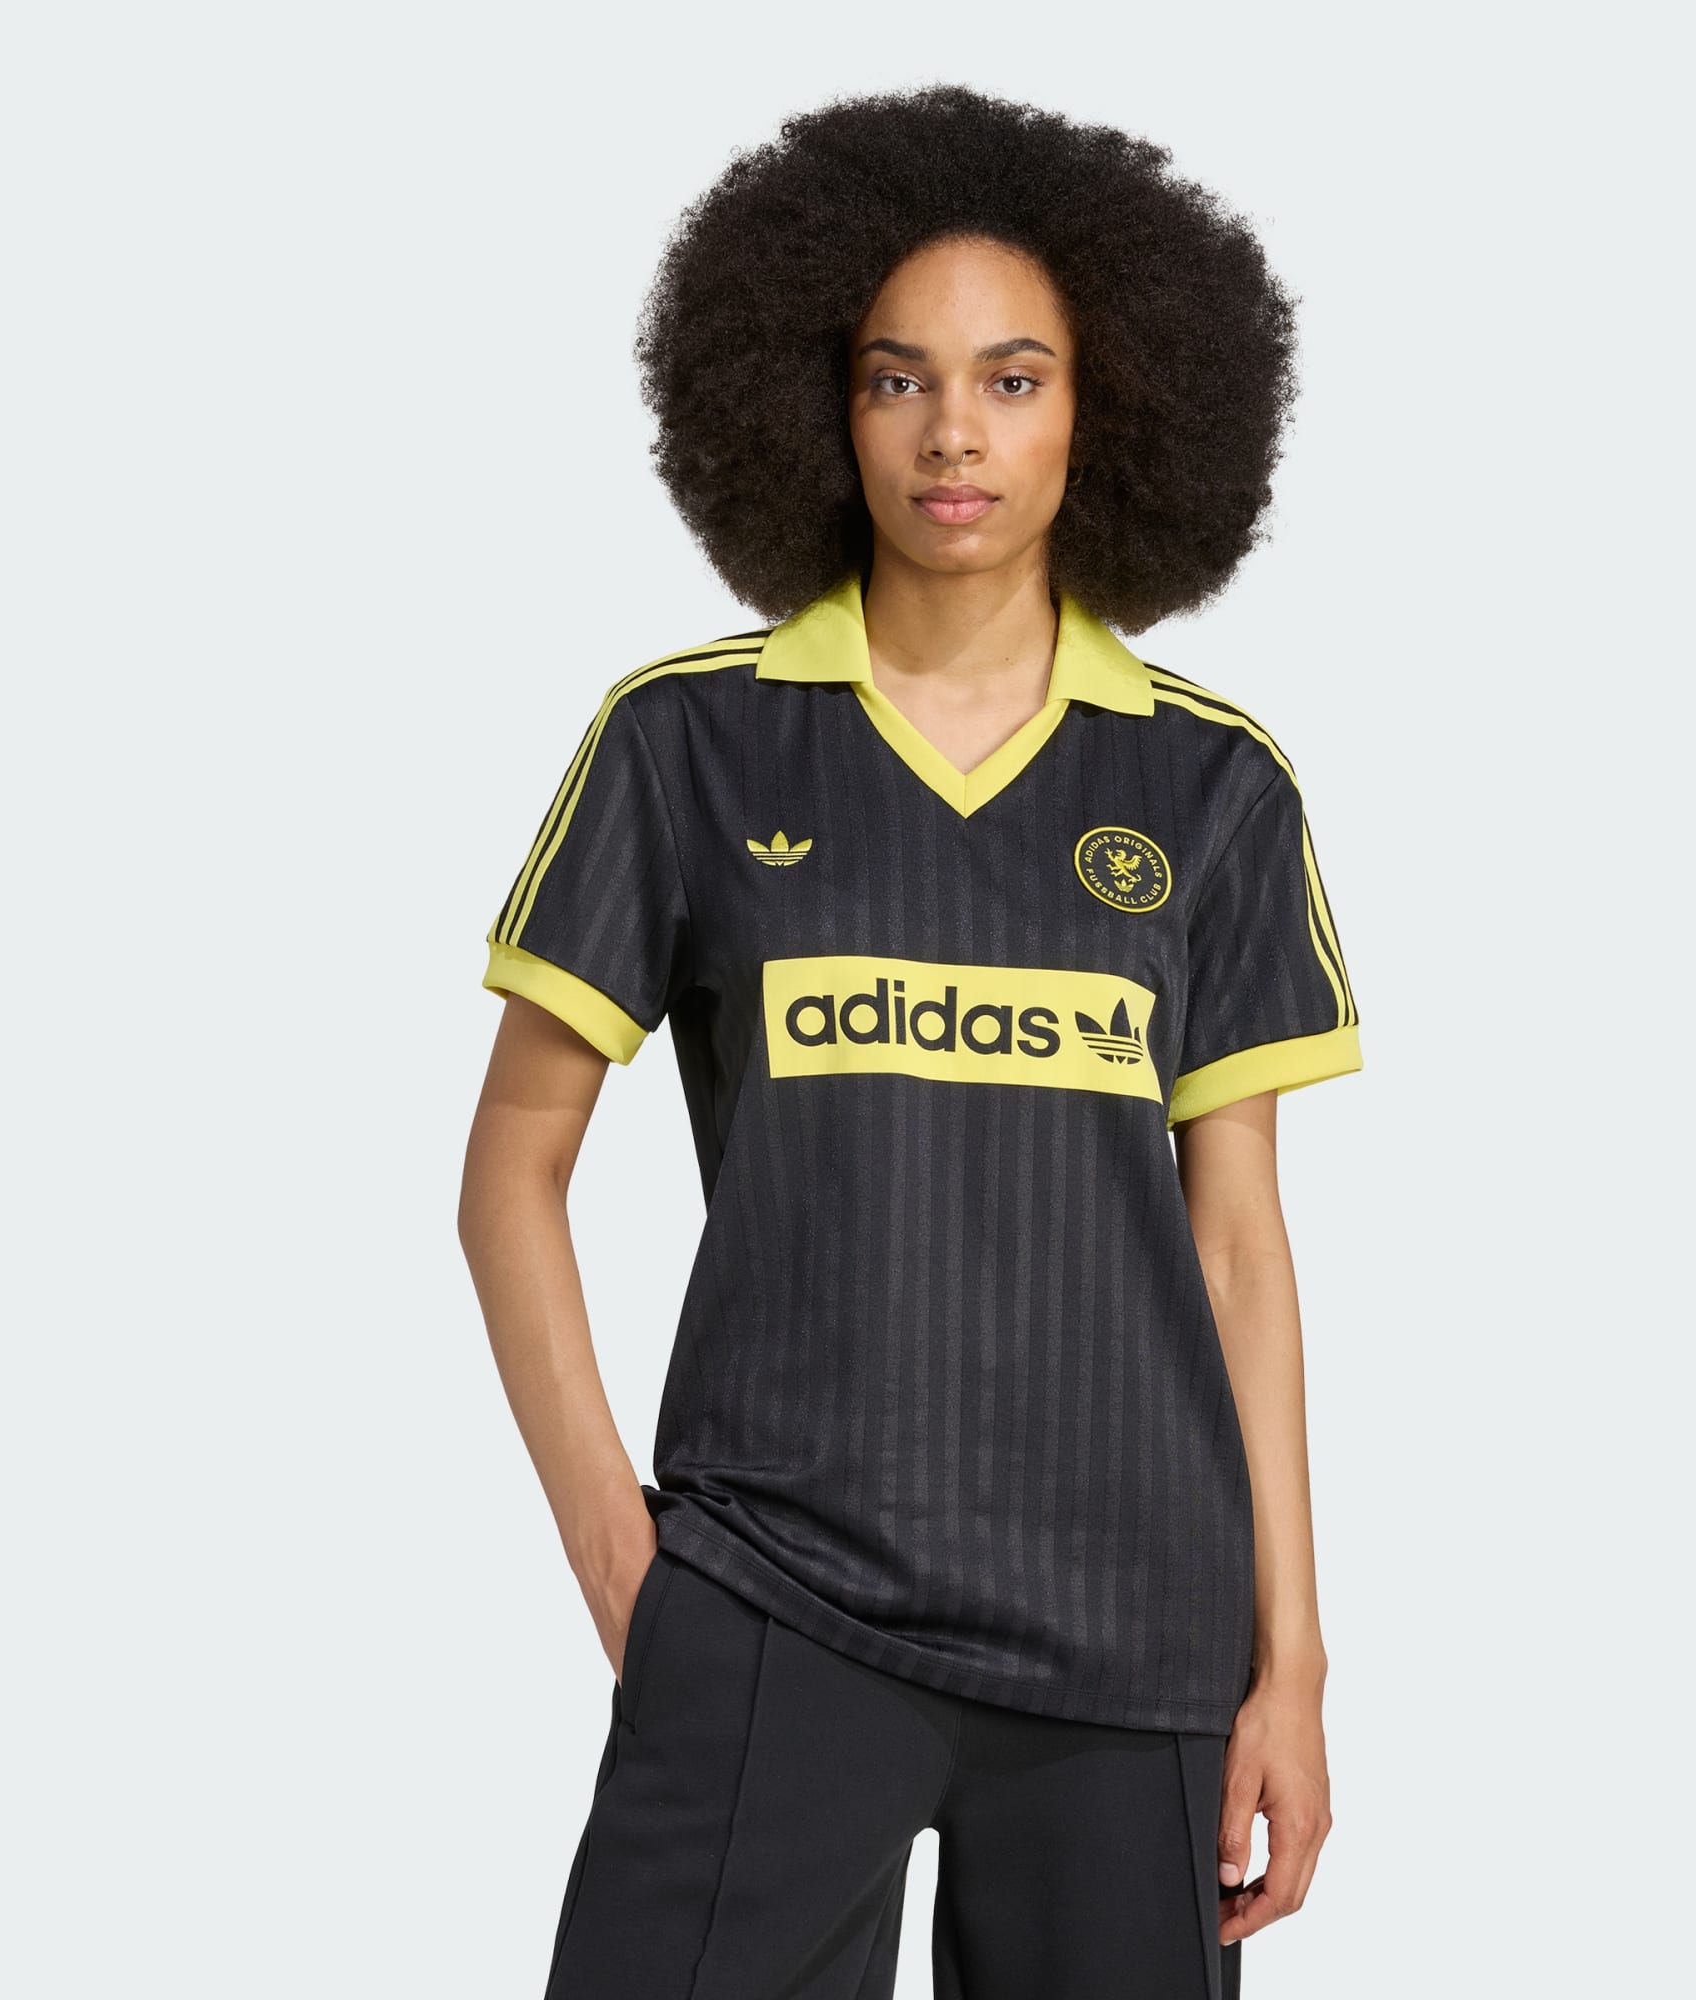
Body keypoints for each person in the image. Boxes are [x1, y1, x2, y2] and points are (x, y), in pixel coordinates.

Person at [458, 83, 1363, 2000]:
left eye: (1013, 380)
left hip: (1131, 1642)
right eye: (899, 379)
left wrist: (1290, 1663)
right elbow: (509, 1177)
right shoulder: (689, 744)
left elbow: (1239, 1251)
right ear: (821, 403)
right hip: (773, 1608)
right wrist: (630, 1567)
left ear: (1102, 409)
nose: (955, 432)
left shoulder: (1210, 787)